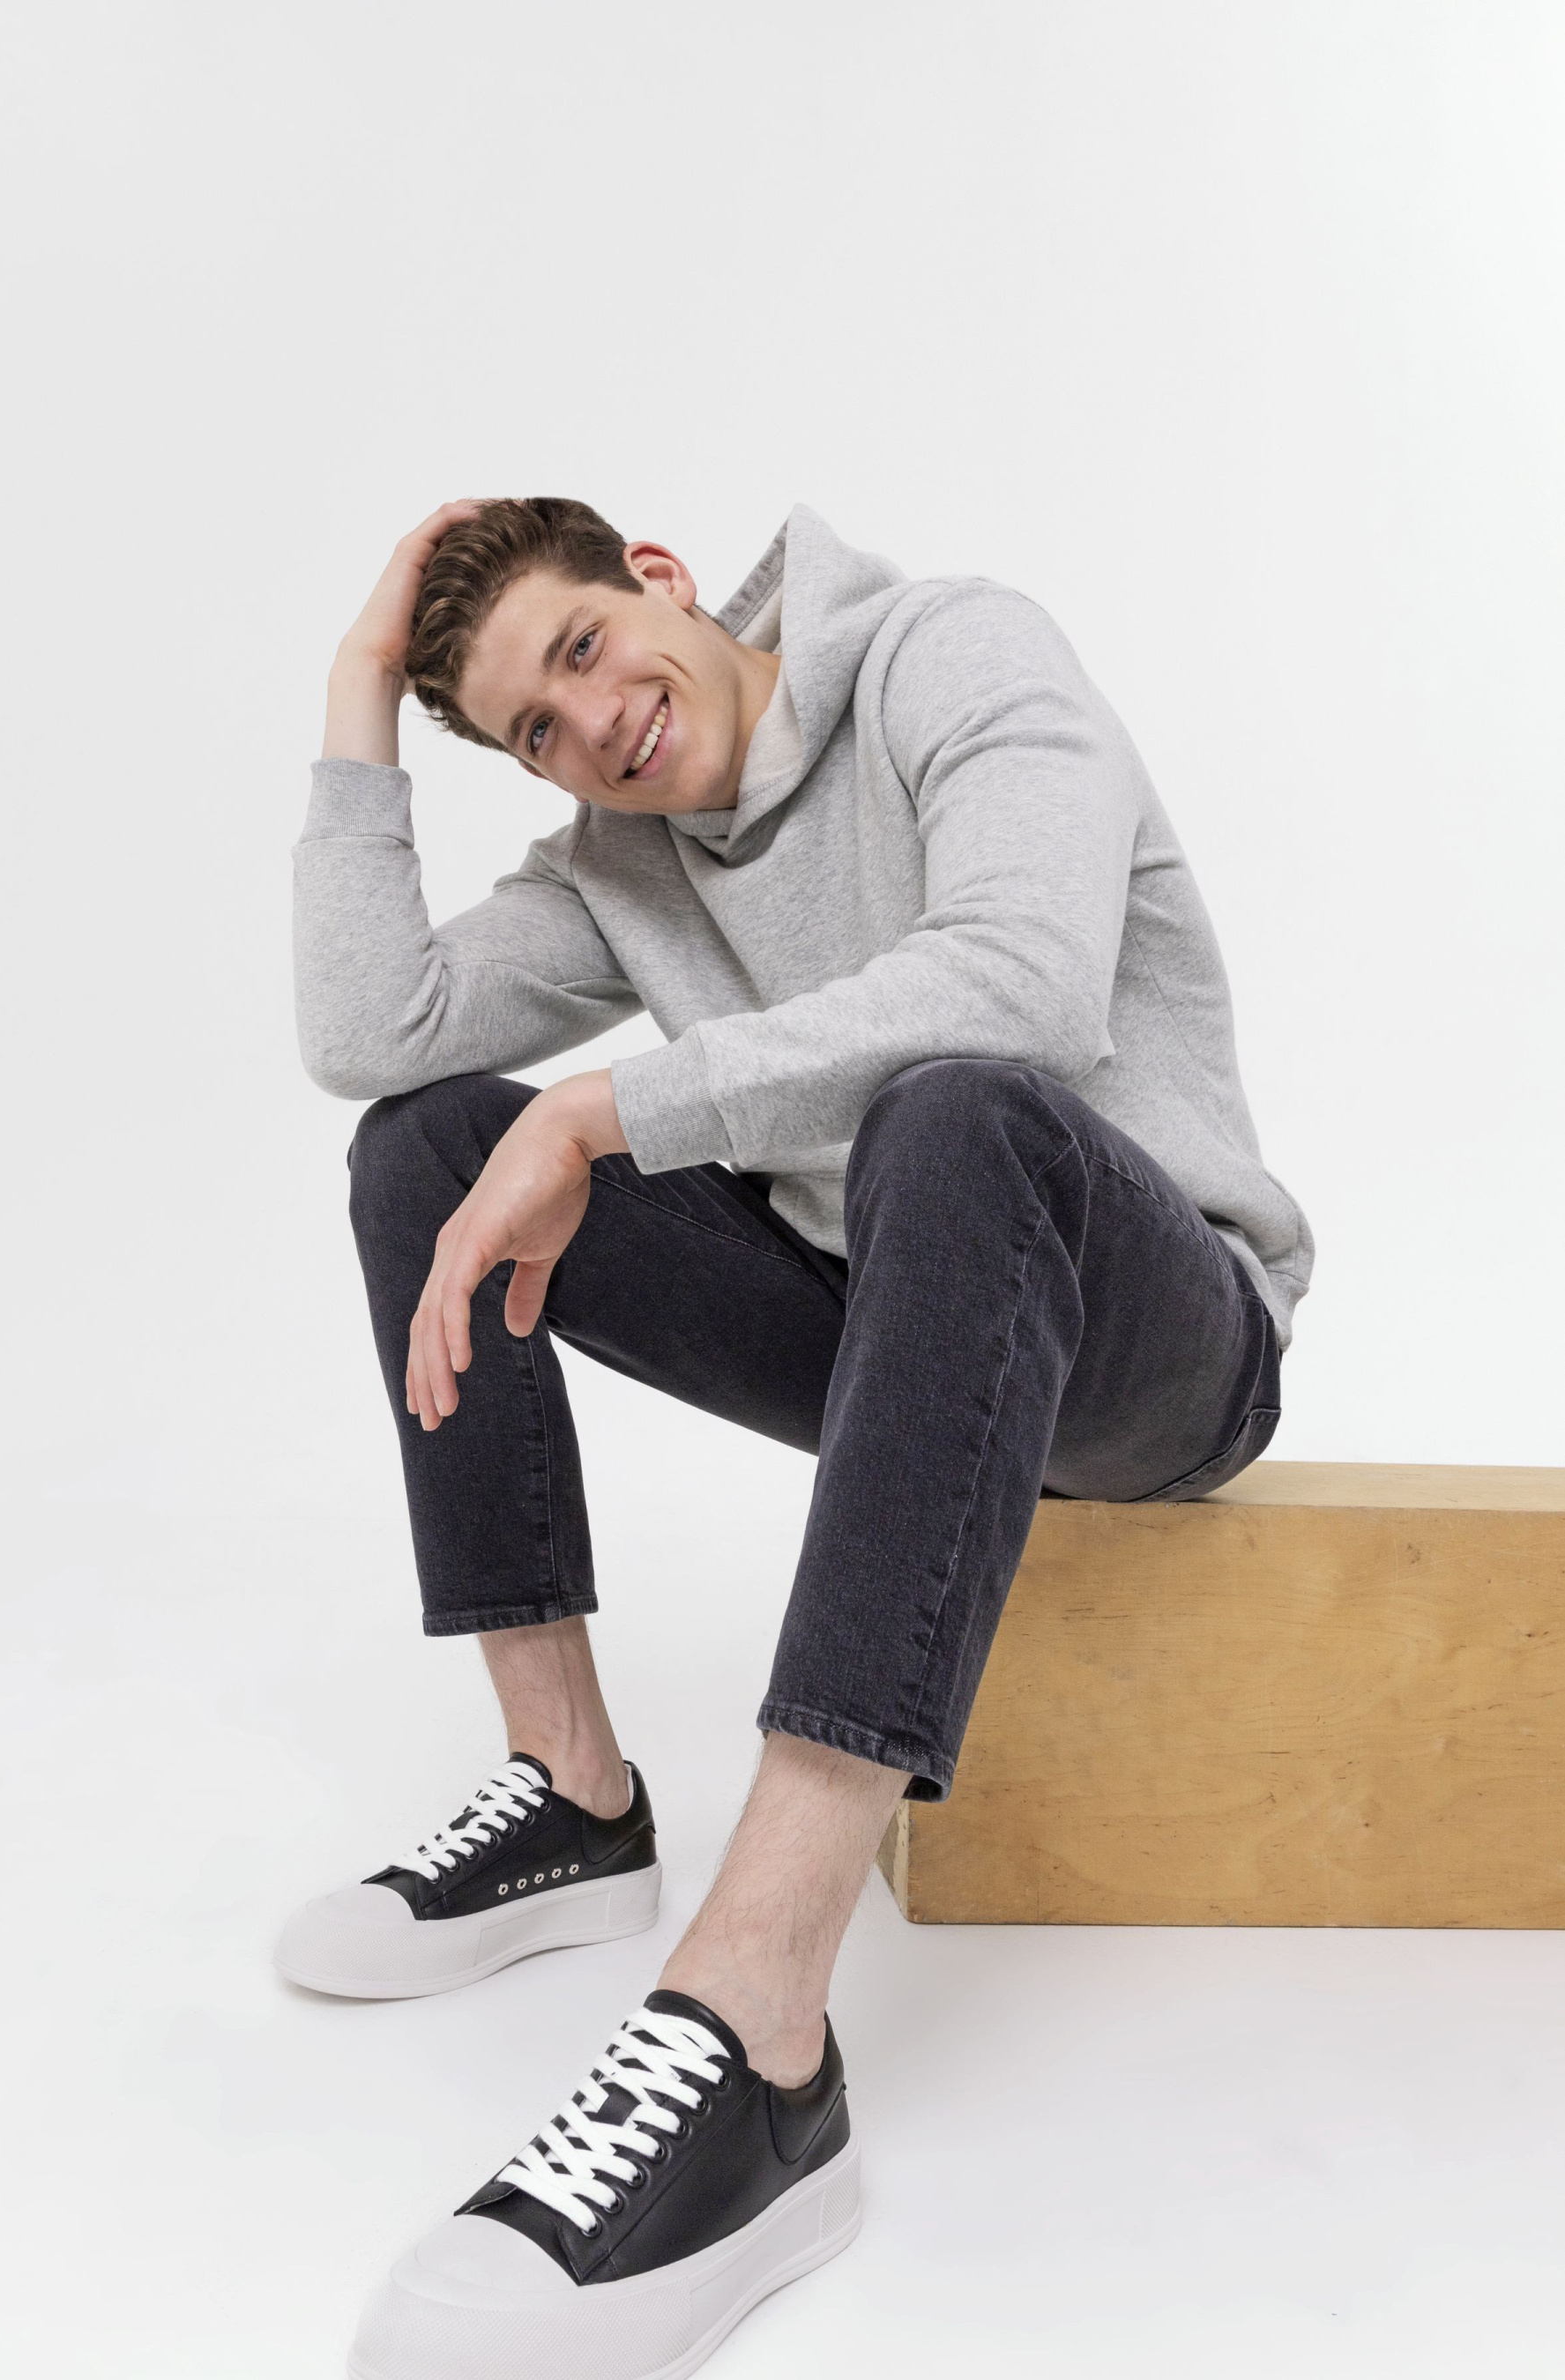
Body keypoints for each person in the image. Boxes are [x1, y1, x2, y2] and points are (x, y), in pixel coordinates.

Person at [281, 496, 1313, 2378]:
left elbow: (1020, 983)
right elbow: (375, 1029)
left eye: (583, 650)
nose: (592, 726)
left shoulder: (948, 651)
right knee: (425, 1149)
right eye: (533, 729)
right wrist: (359, 696)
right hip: (898, 1330)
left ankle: (755, 2029)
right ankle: (571, 1793)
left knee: (957, 1111)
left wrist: (598, 1110)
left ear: (662, 580)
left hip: (1156, 1341)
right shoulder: (620, 864)